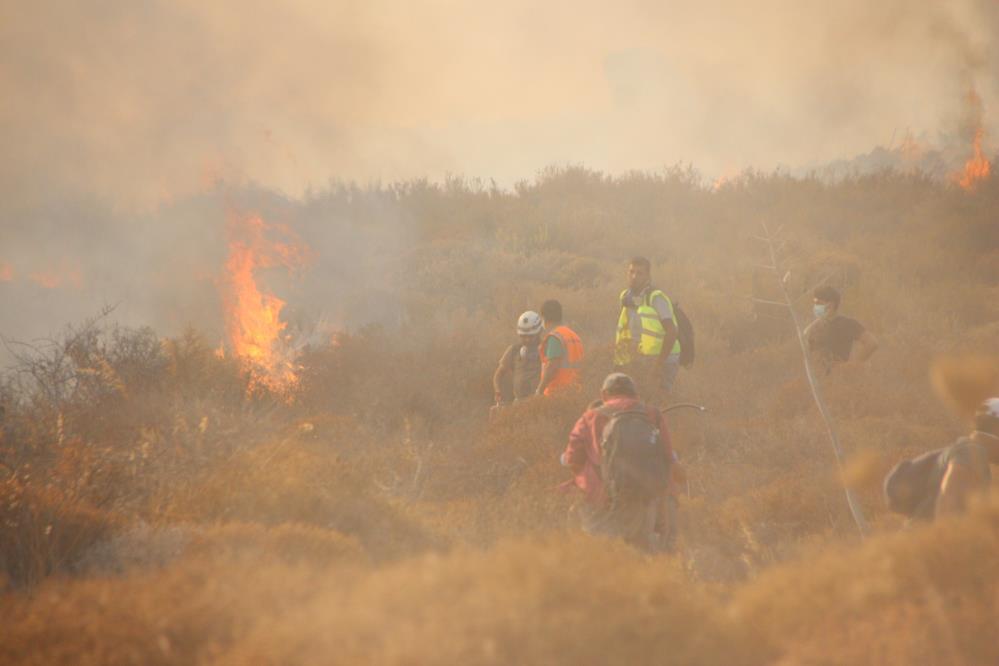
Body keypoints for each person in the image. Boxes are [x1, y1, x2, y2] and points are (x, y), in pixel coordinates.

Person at [559, 373, 673, 551]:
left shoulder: (590, 417)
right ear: (635, 394)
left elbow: (573, 458)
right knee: (640, 553)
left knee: (598, 553)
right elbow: (668, 457)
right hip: (641, 498)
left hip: (599, 499)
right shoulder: (652, 414)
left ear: (604, 395)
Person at [884, 397, 999, 522]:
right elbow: (948, 502)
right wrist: (947, 538)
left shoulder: (964, 451)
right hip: (932, 539)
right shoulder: (972, 454)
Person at [614, 256, 681, 400]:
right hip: (640, 359)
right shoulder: (626, 298)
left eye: (640, 273)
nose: (634, 276)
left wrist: (658, 364)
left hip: (663, 360)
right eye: (631, 272)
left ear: (648, 276)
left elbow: (672, 331)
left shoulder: (656, 298)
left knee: (659, 402)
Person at [804, 286, 878, 370]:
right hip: (819, 379)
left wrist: (852, 365)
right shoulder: (815, 328)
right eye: (814, 303)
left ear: (831, 304)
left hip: (840, 378)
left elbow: (872, 342)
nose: (815, 306)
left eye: (818, 303)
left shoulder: (847, 323)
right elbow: (810, 355)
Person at [493, 311, 543, 406]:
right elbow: (498, 375)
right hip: (518, 404)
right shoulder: (514, 350)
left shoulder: (546, 350)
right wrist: (497, 391)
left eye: (531, 336)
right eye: (523, 336)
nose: (527, 340)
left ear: (539, 332)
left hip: (539, 403)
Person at [536, 299, 584, 396]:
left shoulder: (555, 337)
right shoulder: (574, 336)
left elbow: (552, 366)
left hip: (557, 392)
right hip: (576, 391)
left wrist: (539, 390)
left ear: (544, 317)